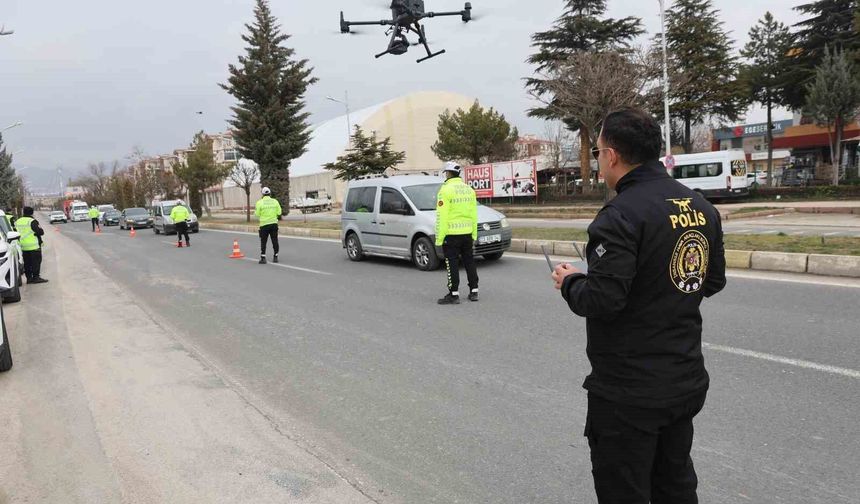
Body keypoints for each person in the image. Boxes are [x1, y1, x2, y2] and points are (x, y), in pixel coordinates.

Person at [550, 108, 726, 504]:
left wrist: (571, 281)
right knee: (675, 485)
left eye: (597, 154)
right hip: (684, 380)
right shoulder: (701, 207)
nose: (598, 163)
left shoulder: (620, 215)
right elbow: (709, 281)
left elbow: (602, 299)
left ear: (611, 155)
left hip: (629, 394)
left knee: (624, 491)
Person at [435, 161, 479, 305]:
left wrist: (439, 239)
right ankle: (474, 291)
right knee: (469, 261)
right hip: (467, 232)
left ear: (448, 173)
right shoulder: (469, 189)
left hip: (452, 234)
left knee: (452, 263)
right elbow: (474, 214)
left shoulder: (445, 191)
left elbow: (442, 217)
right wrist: (474, 234)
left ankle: (453, 294)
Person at [14, 206, 48, 284]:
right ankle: (36, 277)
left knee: (27, 263)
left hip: (23, 246)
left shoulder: (17, 221)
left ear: (23, 212)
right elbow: (40, 232)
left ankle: (29, 279)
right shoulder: (32, 221)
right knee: (36, 262)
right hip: (34, 246)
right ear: (32, 213)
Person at [254, 187, 282, 264]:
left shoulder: (259, 202)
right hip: (274, 224)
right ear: (270, 193)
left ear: (262, 194)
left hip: (264, 225)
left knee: (263, 241)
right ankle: (275, 257)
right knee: (275, 240)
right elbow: (279, 213)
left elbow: (257, 214)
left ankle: (263, 258)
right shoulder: (275, 201)